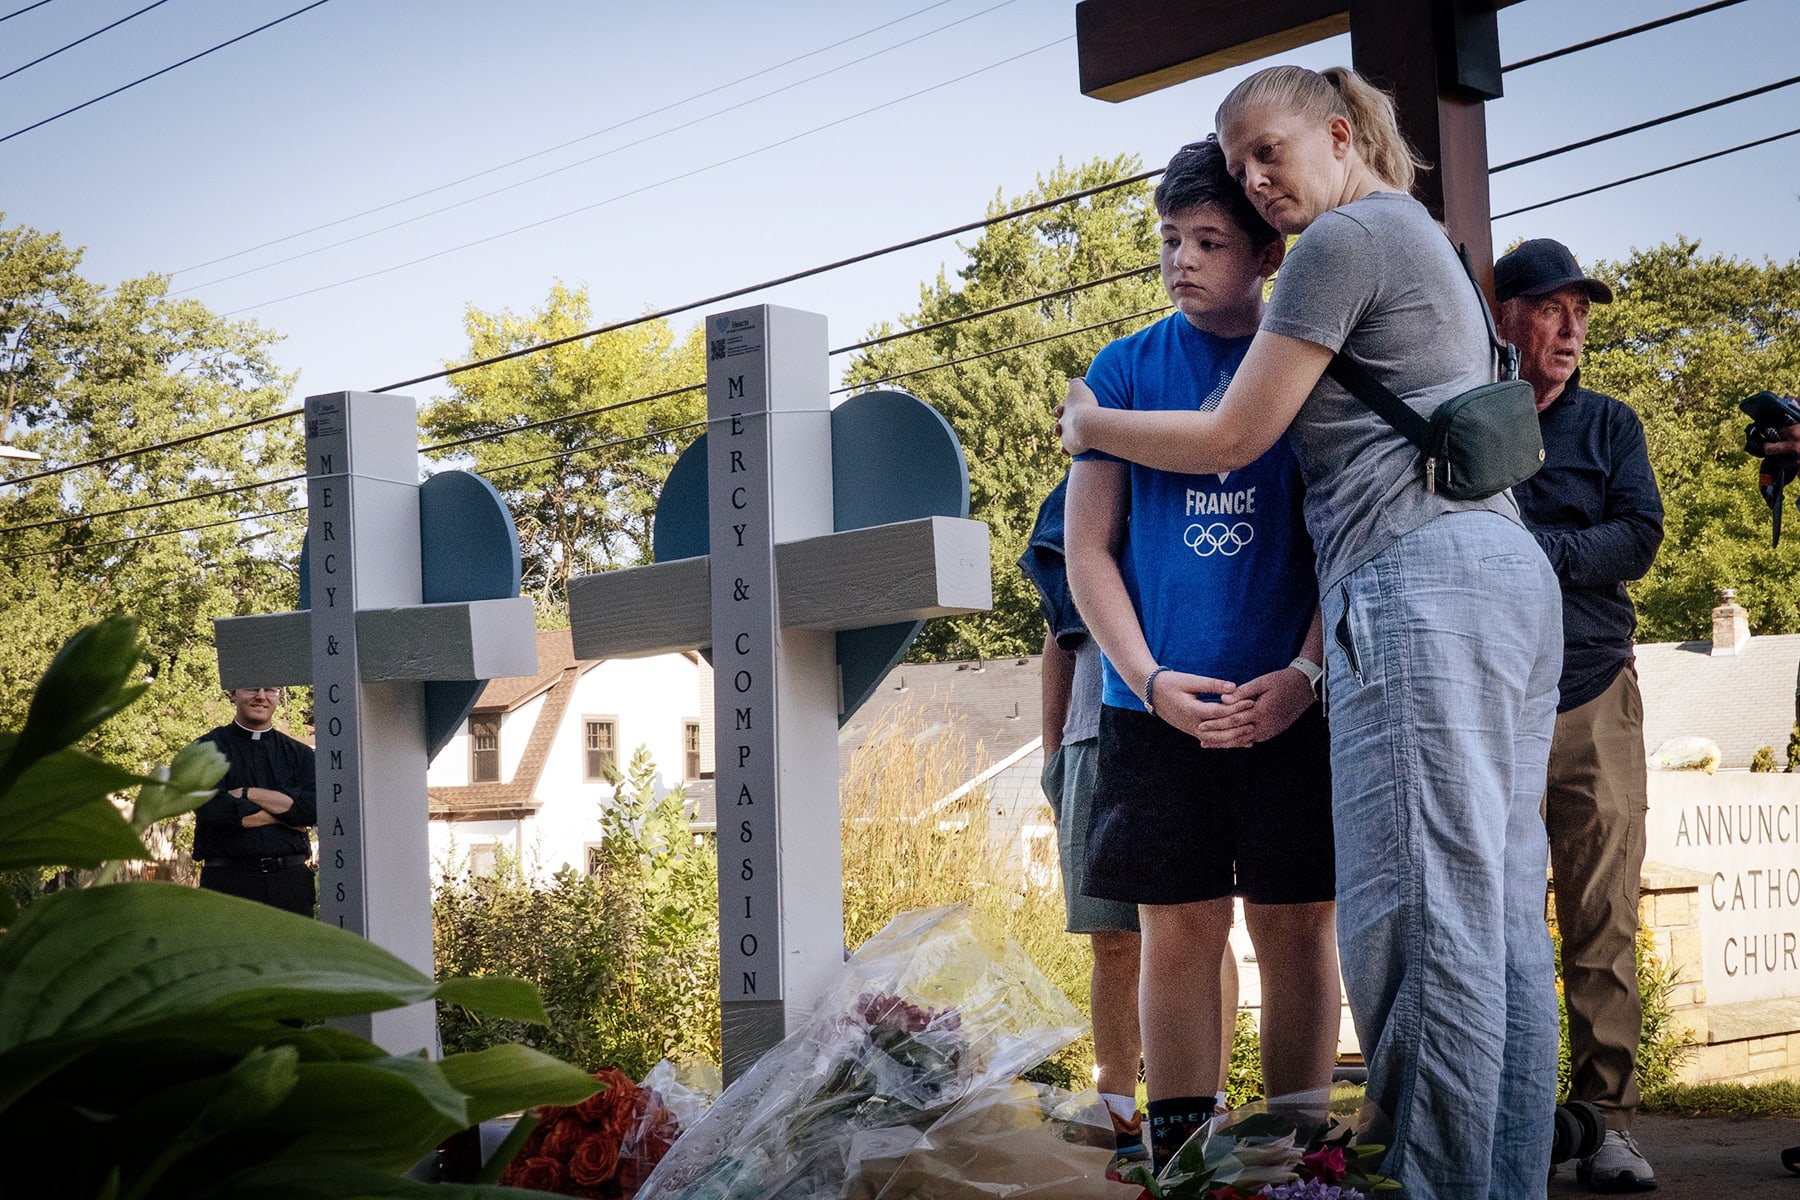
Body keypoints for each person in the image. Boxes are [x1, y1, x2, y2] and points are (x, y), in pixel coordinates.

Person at [1058, 65, 1564, 1198]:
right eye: (1238, 163)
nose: (1254, 178)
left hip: (1419, 582)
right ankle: (1500, 1182)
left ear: (1338, 133)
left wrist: (1088, 423)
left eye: (1267, 152)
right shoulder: (1419, 239)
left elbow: (1236, 437)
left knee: (1420, 927)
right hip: (1498, 574)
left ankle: (1430, 1186)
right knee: (1495, 923)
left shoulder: (1340, 244)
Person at [1064, 138, 1339, 1173]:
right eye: (1170, 238)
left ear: (1271, 253)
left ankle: (1303, 1151)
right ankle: (1185, 1156)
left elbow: (1343, 547)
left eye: (1210, 240)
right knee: (1177, 927)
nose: (1182, 258)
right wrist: (1148, 680)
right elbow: (1090, 551)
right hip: (1156, 713)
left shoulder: (1312, 362)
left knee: (1296, 922)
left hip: (1290, 708)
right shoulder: (1123, 371)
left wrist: (1304, 677)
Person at [1496, 238, 1664, 1193]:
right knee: (1499, 920)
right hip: (1491, 703)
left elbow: (1637, 536)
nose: (1571, 331)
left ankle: (1608, 1123)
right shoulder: (1469, 418)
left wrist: (1532, 555)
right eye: (1553, 310)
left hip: (1595, 693)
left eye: (1582, 315)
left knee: (1602, 918)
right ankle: (1511, 1113)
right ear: (1506, 313)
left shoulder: (1609, 426)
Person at [1023, 473, 1241, 1164]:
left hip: (1188, 719)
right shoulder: (1073, 495)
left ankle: (1207, 1103)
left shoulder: (1197, 477)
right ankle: (1117, 1110)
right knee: (1112, 937)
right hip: (1092, 735)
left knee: (1200, 923)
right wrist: (1054, 750)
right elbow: (1059, 637)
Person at [192, 685, 318, 916]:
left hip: (291, 885)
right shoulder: (205, 750)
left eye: (270, 689)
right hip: (228, 884)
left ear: (279, 696)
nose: (261, 696)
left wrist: (247, 793)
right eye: (251, 688)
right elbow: (216, 812)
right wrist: (286, 816)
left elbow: (311, 811)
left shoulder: (301, 755)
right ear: (233, 692)